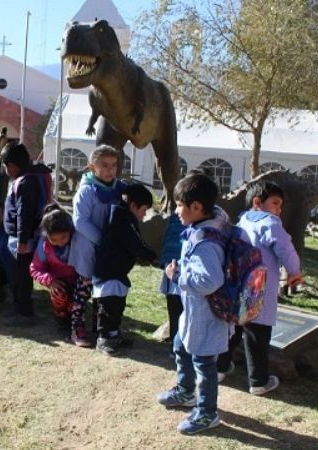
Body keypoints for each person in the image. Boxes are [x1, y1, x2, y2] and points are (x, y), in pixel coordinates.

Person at [157, 172, 229, 435]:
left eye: (179, 205)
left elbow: (210, 280)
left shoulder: (206, 242)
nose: (176, 210)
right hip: (194, 311)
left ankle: (206, 413)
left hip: (206, 314)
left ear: (197, 207)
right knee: (180, 345)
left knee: (204, 364)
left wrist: (177, 275)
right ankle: (186, 391)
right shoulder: (213, 219)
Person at [216, 181, 302, 393]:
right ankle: (258, 381)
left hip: (237, 287)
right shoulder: (270, 222)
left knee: (233, 331)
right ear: (257, 202)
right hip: (259, 291)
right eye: (275, 203)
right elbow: (286, 248)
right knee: (258, 336)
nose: (278, 209)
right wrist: (294, 271)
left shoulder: (240, 223)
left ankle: (220, 368)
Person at [93, 184, 158, 354]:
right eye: (144, 210)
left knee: (117, 306)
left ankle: (113, 335)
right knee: (108, 307)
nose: (145, 215)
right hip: (109, 272)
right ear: (133, 206)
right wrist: (151, 254)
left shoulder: (124, 216)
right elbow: (135, 243)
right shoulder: (121, 218)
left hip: (117, 271)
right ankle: (104, 338)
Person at [68, 146, 127, 332]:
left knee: (102, 292)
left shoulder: (118, 189)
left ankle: (99, 328)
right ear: (92, 167)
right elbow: (80, 221)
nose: (110, 170)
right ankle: (77, 328)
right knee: (83, 292)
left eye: (113, 165)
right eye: (104, 165)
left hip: (107, 251)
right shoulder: (86, 191)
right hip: (88, 249)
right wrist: (103, 240)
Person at [1, 142, 52, 326]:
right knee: (22, 275)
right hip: (28, 237)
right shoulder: (34, 176)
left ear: (11, 166)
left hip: (23, 239)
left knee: (21, 276)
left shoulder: (24, 182)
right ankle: (21, 308)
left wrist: (22, 241)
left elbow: (25, 213)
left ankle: (24, 312)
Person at [29, 204, 90, 347]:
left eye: (63, 237)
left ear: (70, 231)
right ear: (46, 236)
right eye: (54, 240)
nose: (59, 242)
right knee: (59, 293)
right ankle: (61, 319)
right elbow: (35, 268)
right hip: (59, 283)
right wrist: (50, 281)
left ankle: (75, 319)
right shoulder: (43, 247)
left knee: (76, 301)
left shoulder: (78, 241)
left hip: (78, 282)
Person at [158, 212, 186, 355]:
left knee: (175, 313)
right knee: (181, 313)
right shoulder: (202, 217)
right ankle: (178, 349)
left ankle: (175, 349)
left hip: (171, 265)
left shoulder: (175, 216)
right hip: (180, 270)